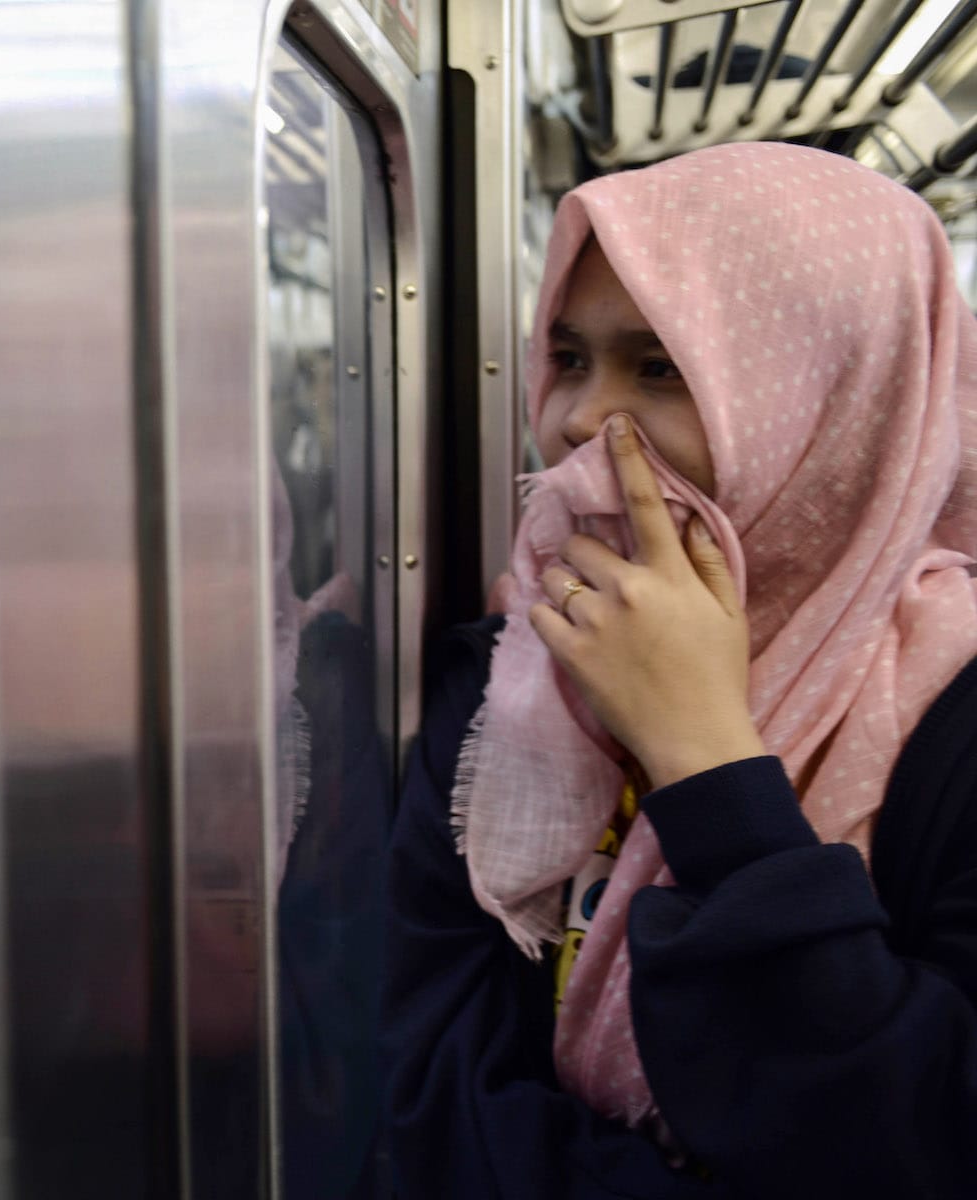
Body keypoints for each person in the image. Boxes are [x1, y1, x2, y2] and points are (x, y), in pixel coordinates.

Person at [378, 141, 977, 1198]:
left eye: (659, 367)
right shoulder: (505, 680)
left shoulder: (953, 722)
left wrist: (706, 763)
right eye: (569, 358)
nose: (575, 418)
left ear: (841, 402)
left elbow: (919, 1141)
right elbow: (426, 1091)